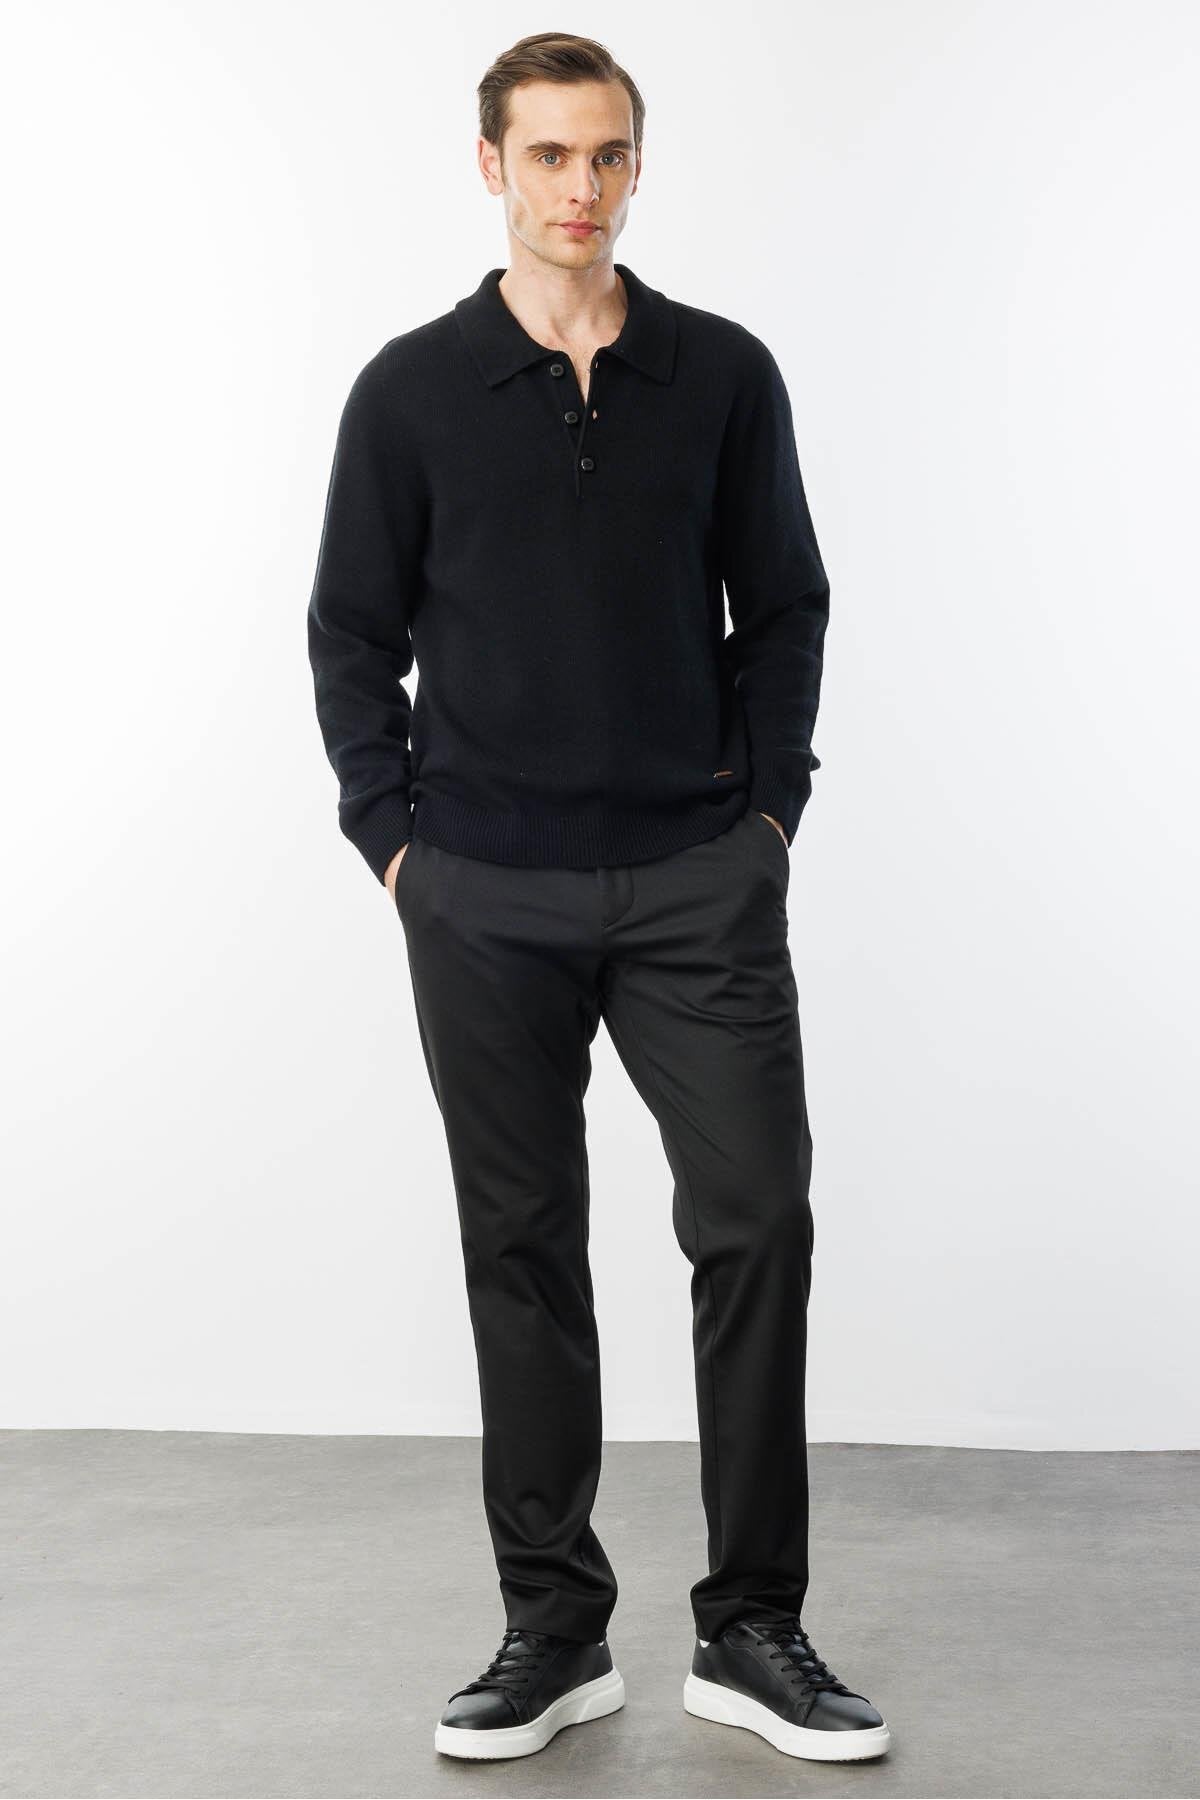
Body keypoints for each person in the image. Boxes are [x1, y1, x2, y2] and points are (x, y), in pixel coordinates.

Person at [307, 28, 891, 1767]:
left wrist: (766, 818)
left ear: (639, 165)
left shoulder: (721, 375)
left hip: (696, 880)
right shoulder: (411, 393)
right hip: (483, 888)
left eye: (609, 154)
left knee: (756, 1219)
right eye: (550, 154)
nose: (582, 187)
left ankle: (753, 1628)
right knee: (522, 1247)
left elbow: (784, 606)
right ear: (491, 164)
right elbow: (350, 635)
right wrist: (397, 846)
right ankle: (553, 1632)